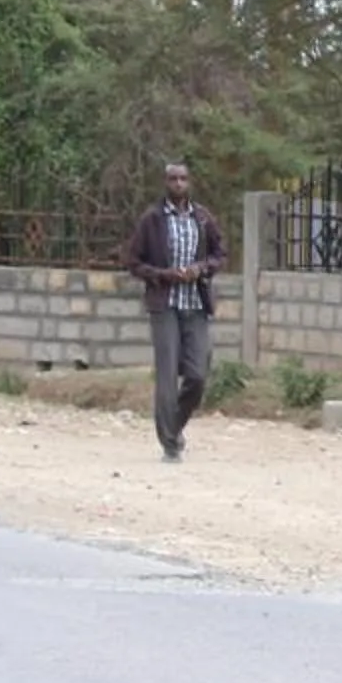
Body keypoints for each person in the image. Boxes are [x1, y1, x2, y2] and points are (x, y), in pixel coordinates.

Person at [126, 161, 226, 462]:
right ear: (165, 183)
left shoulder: (203, 218)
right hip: (165, 305)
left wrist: (202, 268)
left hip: (195, 305)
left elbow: (220, 253)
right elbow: (132, 261)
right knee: (167, 376)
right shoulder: (153, 220)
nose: (179, 184)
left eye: (183, 178)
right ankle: (170, 444)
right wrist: (164, 274)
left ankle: (175, 425)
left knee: (197, 375)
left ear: (190, 182)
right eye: (173, 179)